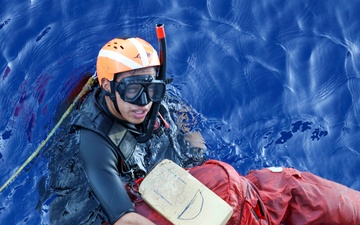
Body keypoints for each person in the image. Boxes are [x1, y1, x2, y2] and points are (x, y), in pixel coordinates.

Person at [74, 35, 360, 225]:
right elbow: (124, 219)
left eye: (152, 88)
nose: (145, 102)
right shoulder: (94, 140)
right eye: (133, 90)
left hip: (208, 188)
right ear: (108, 86)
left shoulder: (154, 100)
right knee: (223, 184)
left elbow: (185, 121)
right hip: (141, 206)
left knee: (286, 186)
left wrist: (196, 163)